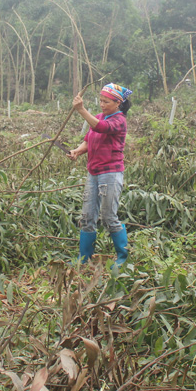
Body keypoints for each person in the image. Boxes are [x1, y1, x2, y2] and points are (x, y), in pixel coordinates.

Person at [67, 83, 133, 265]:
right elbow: (89, 140)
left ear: (118, 103)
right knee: (87, 217)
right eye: (100, 100)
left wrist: (81, 110)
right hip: (93, 173)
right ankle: (84, 258)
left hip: (110, 173)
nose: (102, 104)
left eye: (106, 101)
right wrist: (77, 151)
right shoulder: (98, 117)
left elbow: (101, 127)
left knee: (109, 216)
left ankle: (122, 257)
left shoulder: (119, 121)